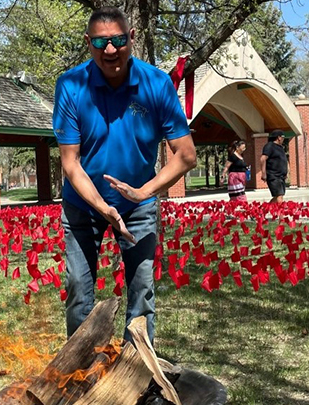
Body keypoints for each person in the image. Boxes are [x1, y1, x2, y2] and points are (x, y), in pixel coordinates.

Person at [53, 6, 196, 344]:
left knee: (142, 288)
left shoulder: (156, 84)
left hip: (138, 206)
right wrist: (103, 207)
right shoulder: (71, 85)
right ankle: (83, 368)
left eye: (118, 39)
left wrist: (143, 192)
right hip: (83, 205)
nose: (111, 50)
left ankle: (137, 371)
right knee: (78, 289)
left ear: (131, 38)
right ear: (88, 43)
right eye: (101, 42)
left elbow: (186, 156)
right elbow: (70, 163)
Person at [260, 129, 288, 203]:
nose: (283, 139)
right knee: (279, 196)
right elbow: (263, 159)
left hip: (281, 176)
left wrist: (285, 173)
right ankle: (281, 214)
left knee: (278, 197)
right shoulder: (270, 146)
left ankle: (263, 211)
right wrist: (263, 173)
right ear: (278, 137)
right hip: (273, 175)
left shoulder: (281, 147)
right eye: (283, 137)